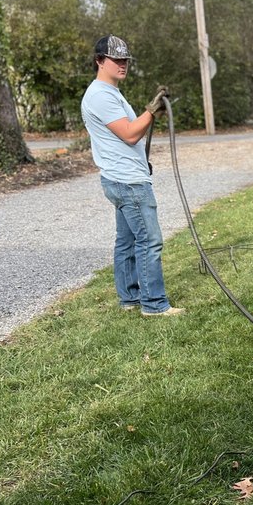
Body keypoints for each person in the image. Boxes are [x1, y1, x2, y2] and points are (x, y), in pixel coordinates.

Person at [81, 34, 182, 317]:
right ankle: (154, 305)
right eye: (116, 60)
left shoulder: (109, 92)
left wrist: (148, 116)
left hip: (121, 176)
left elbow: (126, 131)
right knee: (149, 240)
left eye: (125, 60)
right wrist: (151, 112)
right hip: (128, 182)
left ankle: (130, 299)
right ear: (100, 61)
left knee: (126, 241)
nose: (123, 64)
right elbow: (128, 133)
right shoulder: (100, 95)